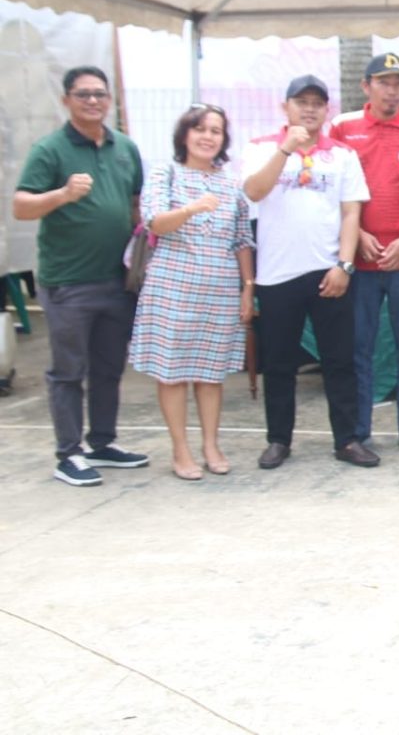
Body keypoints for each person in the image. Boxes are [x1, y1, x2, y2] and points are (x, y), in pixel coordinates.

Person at [13, 66, 148, 486]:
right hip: (69, 283)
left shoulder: (125, 148)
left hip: (117, 280)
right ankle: (69, 453)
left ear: (110, 100)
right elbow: (21, 206)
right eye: (83, 94)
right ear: (66, 100)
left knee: (109, 368)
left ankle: (102, 442)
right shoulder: (49, 150)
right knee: (68, 371)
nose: (93, 101)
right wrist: (63, 194)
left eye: (99, 94)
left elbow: (135, 204)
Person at [243, 74, 375, 469]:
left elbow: (351, 212)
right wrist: (286, 149)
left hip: (327, 271)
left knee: (340, 361)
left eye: (318, 103)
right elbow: (254, 191)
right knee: (279, 364)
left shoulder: (343, 155)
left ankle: (347, 439)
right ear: (286, 107)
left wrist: (345, 265)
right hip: (277, 274)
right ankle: (278, 440)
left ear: (327, 110)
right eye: (302, 102)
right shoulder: (260, 147)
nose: (310, 109)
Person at [129, 104, 254, 481]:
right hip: (173, 287)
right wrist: (192, 208)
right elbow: (154, 222)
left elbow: (242, 240)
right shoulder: (165, 173)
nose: (207, 137)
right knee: (172, 372)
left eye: (215, 131)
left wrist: (247, 288)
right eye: (199, 129)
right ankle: (180, 450)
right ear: (184, 135)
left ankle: (211, 445)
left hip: (220, 288)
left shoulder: (231, 184)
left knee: (211, 374)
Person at [329, 52, 399, 457]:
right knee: (359, 348)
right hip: (358, 259)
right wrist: (357, 234)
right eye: (384, 82)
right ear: (366, 86)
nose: (392, 91)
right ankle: (358, 431)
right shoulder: (343, 126)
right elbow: (334, 190)